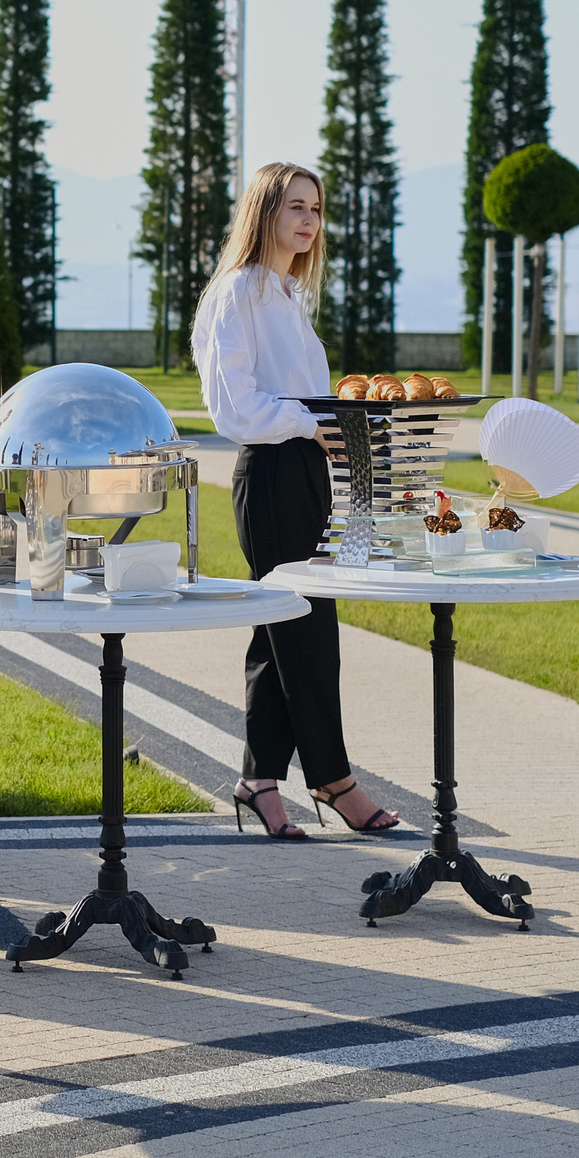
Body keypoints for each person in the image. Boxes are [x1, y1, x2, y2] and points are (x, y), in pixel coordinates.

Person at [192, 161, 401, 841]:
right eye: (295, 208)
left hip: (308, 472)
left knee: (274, 628)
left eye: (316, 209)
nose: (310, 221)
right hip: (273, 474)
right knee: (308, 627)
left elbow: (301, 398)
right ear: (265, 214)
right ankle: (334, 778)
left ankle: (258, 780)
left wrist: (338, 426)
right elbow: (235, 407)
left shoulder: (284, 293)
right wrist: (312, 421)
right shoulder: (239, 292)